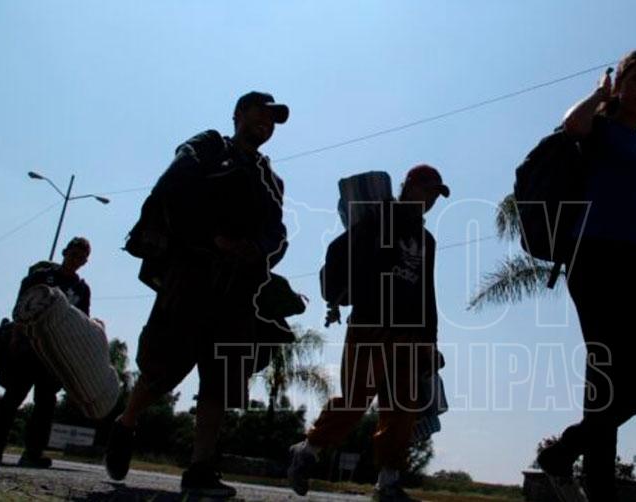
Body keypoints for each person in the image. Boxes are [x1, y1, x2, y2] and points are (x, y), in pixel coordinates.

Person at [105, 91, 290, 498]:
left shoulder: (270, 179)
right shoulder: (207, 146)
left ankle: (200, 468)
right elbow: (172, 186)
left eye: (273, 119)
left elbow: (277, 232)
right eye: (260, 112)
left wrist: (254, 250)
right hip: (192, 274)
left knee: (221, 379)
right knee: (162, 368)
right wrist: (208, 237)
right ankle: (126, 424)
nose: (266, 122)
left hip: (238, 287)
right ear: (238, 113)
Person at [534, 50, 636, 501]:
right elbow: (570, 125)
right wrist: (598, 94)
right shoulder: (598, 129)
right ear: (620, 82)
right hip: (592, 258)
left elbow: (626, 205)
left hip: (630, 261)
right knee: (611, 376)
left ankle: (565, 454)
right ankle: (591, 482)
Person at [288, 165, 449, 502]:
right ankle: (306, 451)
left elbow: (426, 293)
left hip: (410, 335)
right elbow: (337, 252)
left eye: (436, 194)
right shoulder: (380, 218)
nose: (431, 198)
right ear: (408, 187)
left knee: (402, 409)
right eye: (426, 190)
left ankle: (387, 483)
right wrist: (337, 297)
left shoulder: (427, 240)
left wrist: (430, 342)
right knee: (355, 399)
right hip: (371, 324)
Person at [0, 236, 93, 467]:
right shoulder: (41, 277)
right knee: (13, 397)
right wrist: (16, 335)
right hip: (29, 345)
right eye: (73, 254)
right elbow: (21, 306)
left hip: (54, 353)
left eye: (81, 258)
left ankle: (33, 452)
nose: (76, 260)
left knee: (45, 403)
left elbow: (81, 321)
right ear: (65, 253)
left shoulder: (81, 289)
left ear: (85, 261)